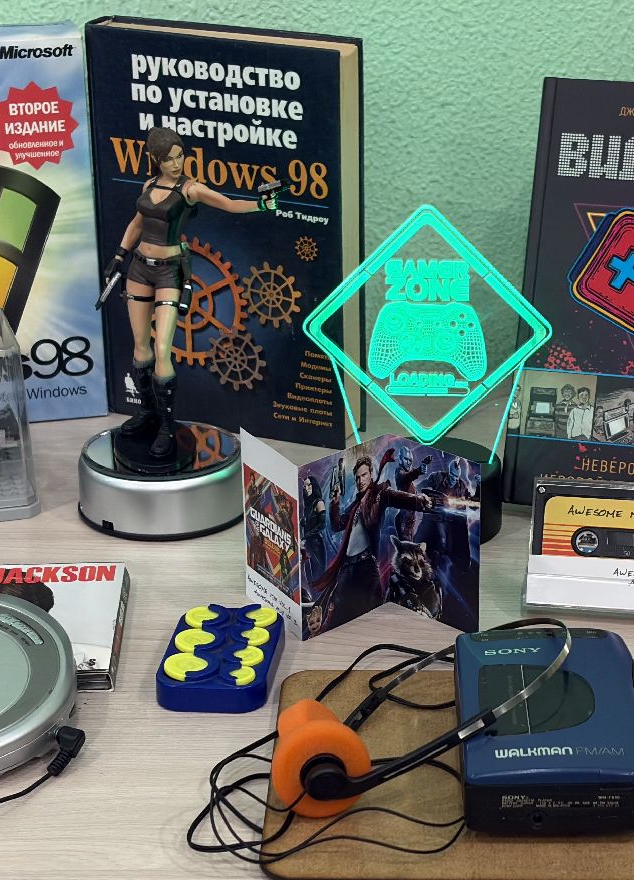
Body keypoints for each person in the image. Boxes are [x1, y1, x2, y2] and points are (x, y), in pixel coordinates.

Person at [101, 128, 280, 473]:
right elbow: (137, 223)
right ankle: (148, 412)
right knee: (141, 347)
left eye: (179, 156)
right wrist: (120, 255)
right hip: (139, 268)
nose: (175, 163)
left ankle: (167, 426)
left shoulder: (190, 189)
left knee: (163, 349)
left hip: (169, 272)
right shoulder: (148, 185)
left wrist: (261, 203)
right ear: (155, 159)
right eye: (168, 158)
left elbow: (228, 204)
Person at [310, 452, 439, 628]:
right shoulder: (355, 505)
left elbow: (397, 497)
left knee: (374, 611)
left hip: (366, 565)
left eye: (364, 475)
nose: (360, 480)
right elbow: (337, 525)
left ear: (371, 474)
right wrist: (335, 503)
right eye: (357, 477)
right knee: (338, 614)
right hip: (347, 567)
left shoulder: (379, 493)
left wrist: (419, 501)